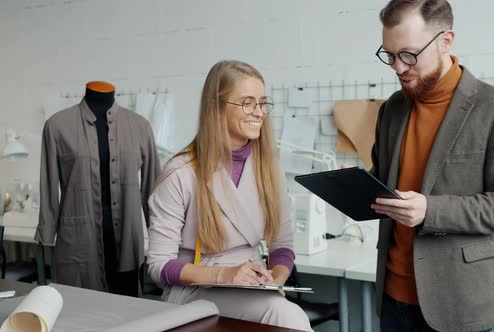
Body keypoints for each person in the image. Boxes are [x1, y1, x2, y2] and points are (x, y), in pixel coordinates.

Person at [371, 1, 494, 331]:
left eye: (409, 55)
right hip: (392, 297)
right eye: (389, 55)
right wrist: (355, 185)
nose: (398, 67)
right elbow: (386, 183)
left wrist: (431, 210)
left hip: (459, 303)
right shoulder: (392, 108)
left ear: (446, 41)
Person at [146, 60, 311, 331]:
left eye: (262, 103)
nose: (259, 113)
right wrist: (225, 275)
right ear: (216, 108)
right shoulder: (180, 173)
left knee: (283, 311)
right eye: (247, 103)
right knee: (285, 316)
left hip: (255, 289)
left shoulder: (269, 168)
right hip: (196, 289)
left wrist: (275, 280)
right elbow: (158, 265)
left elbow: (282, 245)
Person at [36, 81, 160, 295]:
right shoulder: (57, 126)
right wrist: (47, 231)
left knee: (128, 315)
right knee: (78, 315)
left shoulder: (140, 126)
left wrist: (161, 235)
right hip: (78, 241)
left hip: (127, 242)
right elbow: (48, 185)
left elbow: (153, 189)